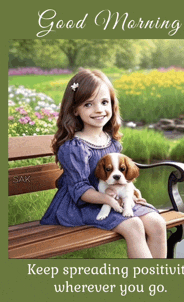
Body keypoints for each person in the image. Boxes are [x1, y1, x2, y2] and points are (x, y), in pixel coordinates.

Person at [40, 68, 167, 258]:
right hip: (81, 205)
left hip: (112, 198)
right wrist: (108, 199)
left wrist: (129, 191)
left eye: (104, 102)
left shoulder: (111, 141)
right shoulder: (74, 147)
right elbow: (80, 189)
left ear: (113, 105)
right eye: (89, 104)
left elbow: (118, 176)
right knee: (133, 225)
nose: (99, 109)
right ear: (75, 109)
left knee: (157, 222)